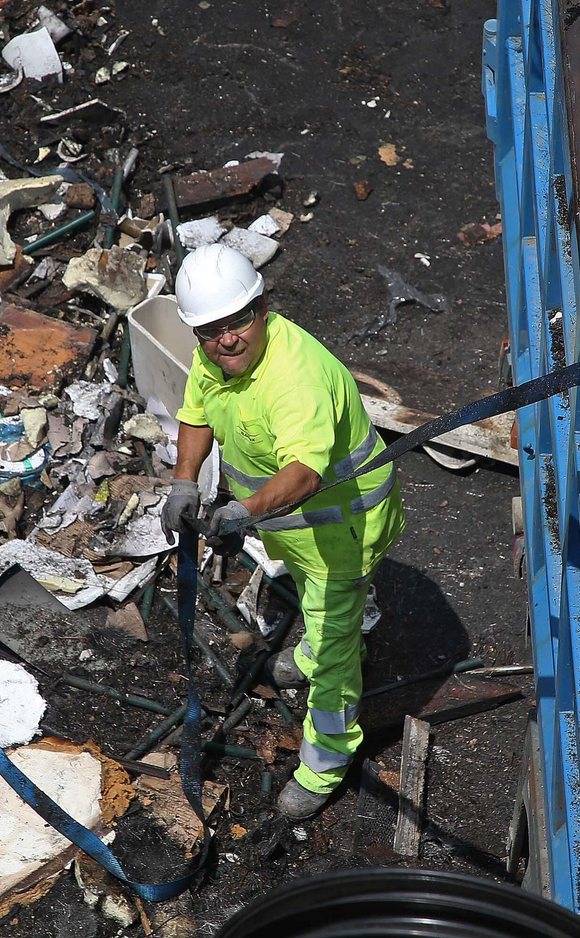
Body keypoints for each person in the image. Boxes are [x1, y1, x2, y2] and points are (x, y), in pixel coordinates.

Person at [160, 243, 405, 819]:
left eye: (239, 322)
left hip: (342, 532)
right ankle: (316, 648)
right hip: (294, 530)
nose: (227, 340)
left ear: (262, 307)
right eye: (210, 330)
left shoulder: (293, 379)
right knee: (316, 610)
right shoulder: (216, 356)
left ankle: (326, 764)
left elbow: (303, 472)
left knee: (338, 656)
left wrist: (244, 512)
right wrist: (184, 482)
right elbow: (195, 412)